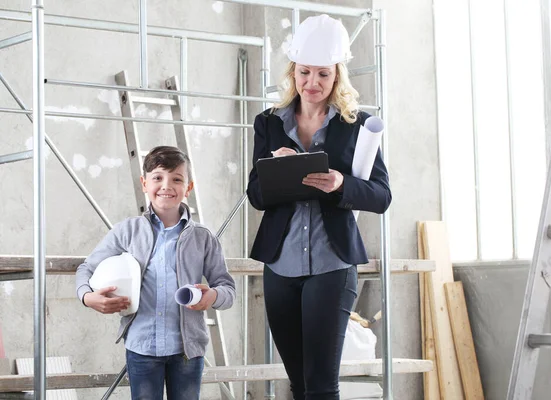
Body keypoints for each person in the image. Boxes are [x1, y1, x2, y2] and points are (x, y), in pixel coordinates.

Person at [246, 14, 392, 400]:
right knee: (299, 383)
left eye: (323, 74)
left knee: (322, 387)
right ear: (293, 72)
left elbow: (381, 195)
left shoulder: (356, 124)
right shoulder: (268, 124)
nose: (312, 83)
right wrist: (278, 170)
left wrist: (341, 184)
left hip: (332, 263)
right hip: (281, 264)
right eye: (305, 72)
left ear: (337, 76)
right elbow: (256, 196)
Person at [76, 145, 236, 400]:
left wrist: (213, 296)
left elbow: (228, 289)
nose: (166, 186)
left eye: (176, 179)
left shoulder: (203, 238)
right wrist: (87, 297)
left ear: (188, 187)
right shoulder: (125, 231)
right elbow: (87, 269)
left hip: (187, 350)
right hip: (142, 347)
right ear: (144, 183)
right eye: (158, 177)